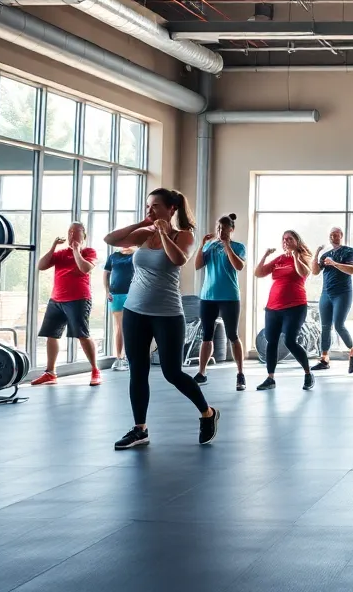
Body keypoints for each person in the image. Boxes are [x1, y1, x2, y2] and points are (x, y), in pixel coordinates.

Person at [104, 188, 218, 450]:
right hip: (135, 311)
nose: (150, 210)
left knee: (172, 372)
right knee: (138, 371)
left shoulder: (183, 235)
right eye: (148, 206)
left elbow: (178, 259)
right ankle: (139, 429)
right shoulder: (144, 233)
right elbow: (110, 239)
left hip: (167, 313)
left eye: (155, 206)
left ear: (171, 209)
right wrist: (142, 223)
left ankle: (208, 413)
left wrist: (165, 233)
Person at [30, 222, 101, 387]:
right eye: (70, 232)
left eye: (76, 232)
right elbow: (41, 266)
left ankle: (95, 370)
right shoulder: (60, 253)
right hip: (56, 300)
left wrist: (76, 250)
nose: (72, 235)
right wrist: (54, 246)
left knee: (82, 335)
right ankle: (50, 373)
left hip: (78, 299)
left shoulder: (89, 252)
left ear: (84, 235)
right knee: (51, 335)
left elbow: (85, 268)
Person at [254, 230, 314, 392]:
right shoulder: (279, 259)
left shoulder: (303, 258)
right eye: (283, 239)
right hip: (273, 307)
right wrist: (265, 256)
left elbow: (304, 273)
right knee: (271, 341)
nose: (286, 241)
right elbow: (258, 273)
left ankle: (308, 374)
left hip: (295, 307)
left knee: (290, 341)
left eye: (289, 238)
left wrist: (294, 256)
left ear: (297, 241)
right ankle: (270, 378)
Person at [194, 213, 246, 390]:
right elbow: (197, 265)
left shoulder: (238, 246)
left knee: (233, 335)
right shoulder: (209, 246)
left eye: (224, 228)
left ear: (231, 229)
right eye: (218, 227)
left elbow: (238, 266)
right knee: (206, 336)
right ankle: (202, 373)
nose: (220, 230)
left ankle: (240, 374)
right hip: (208, 296)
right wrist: (202, 245)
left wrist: (226, 245)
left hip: (229, 297)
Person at [312, 227, 353, 373]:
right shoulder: (326, 254)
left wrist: (334, 263)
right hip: (326, 294)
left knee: (339, 325)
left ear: (341, 236)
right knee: (325, 326)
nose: (333, 237)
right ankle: (324, 359)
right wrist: (316, 254)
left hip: (343, 294)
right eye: (331, 235)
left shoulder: (348, 251)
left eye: (336, 234)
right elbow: (314, 272)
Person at [103, 246, 134, 371]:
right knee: (118, 326)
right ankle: (119, 358)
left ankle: (130, 357)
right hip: (116, 294)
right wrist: (107, 291)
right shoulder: (113, 256)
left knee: (130, 326)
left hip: (132, 293)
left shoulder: (135, 255)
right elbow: (106, 274)